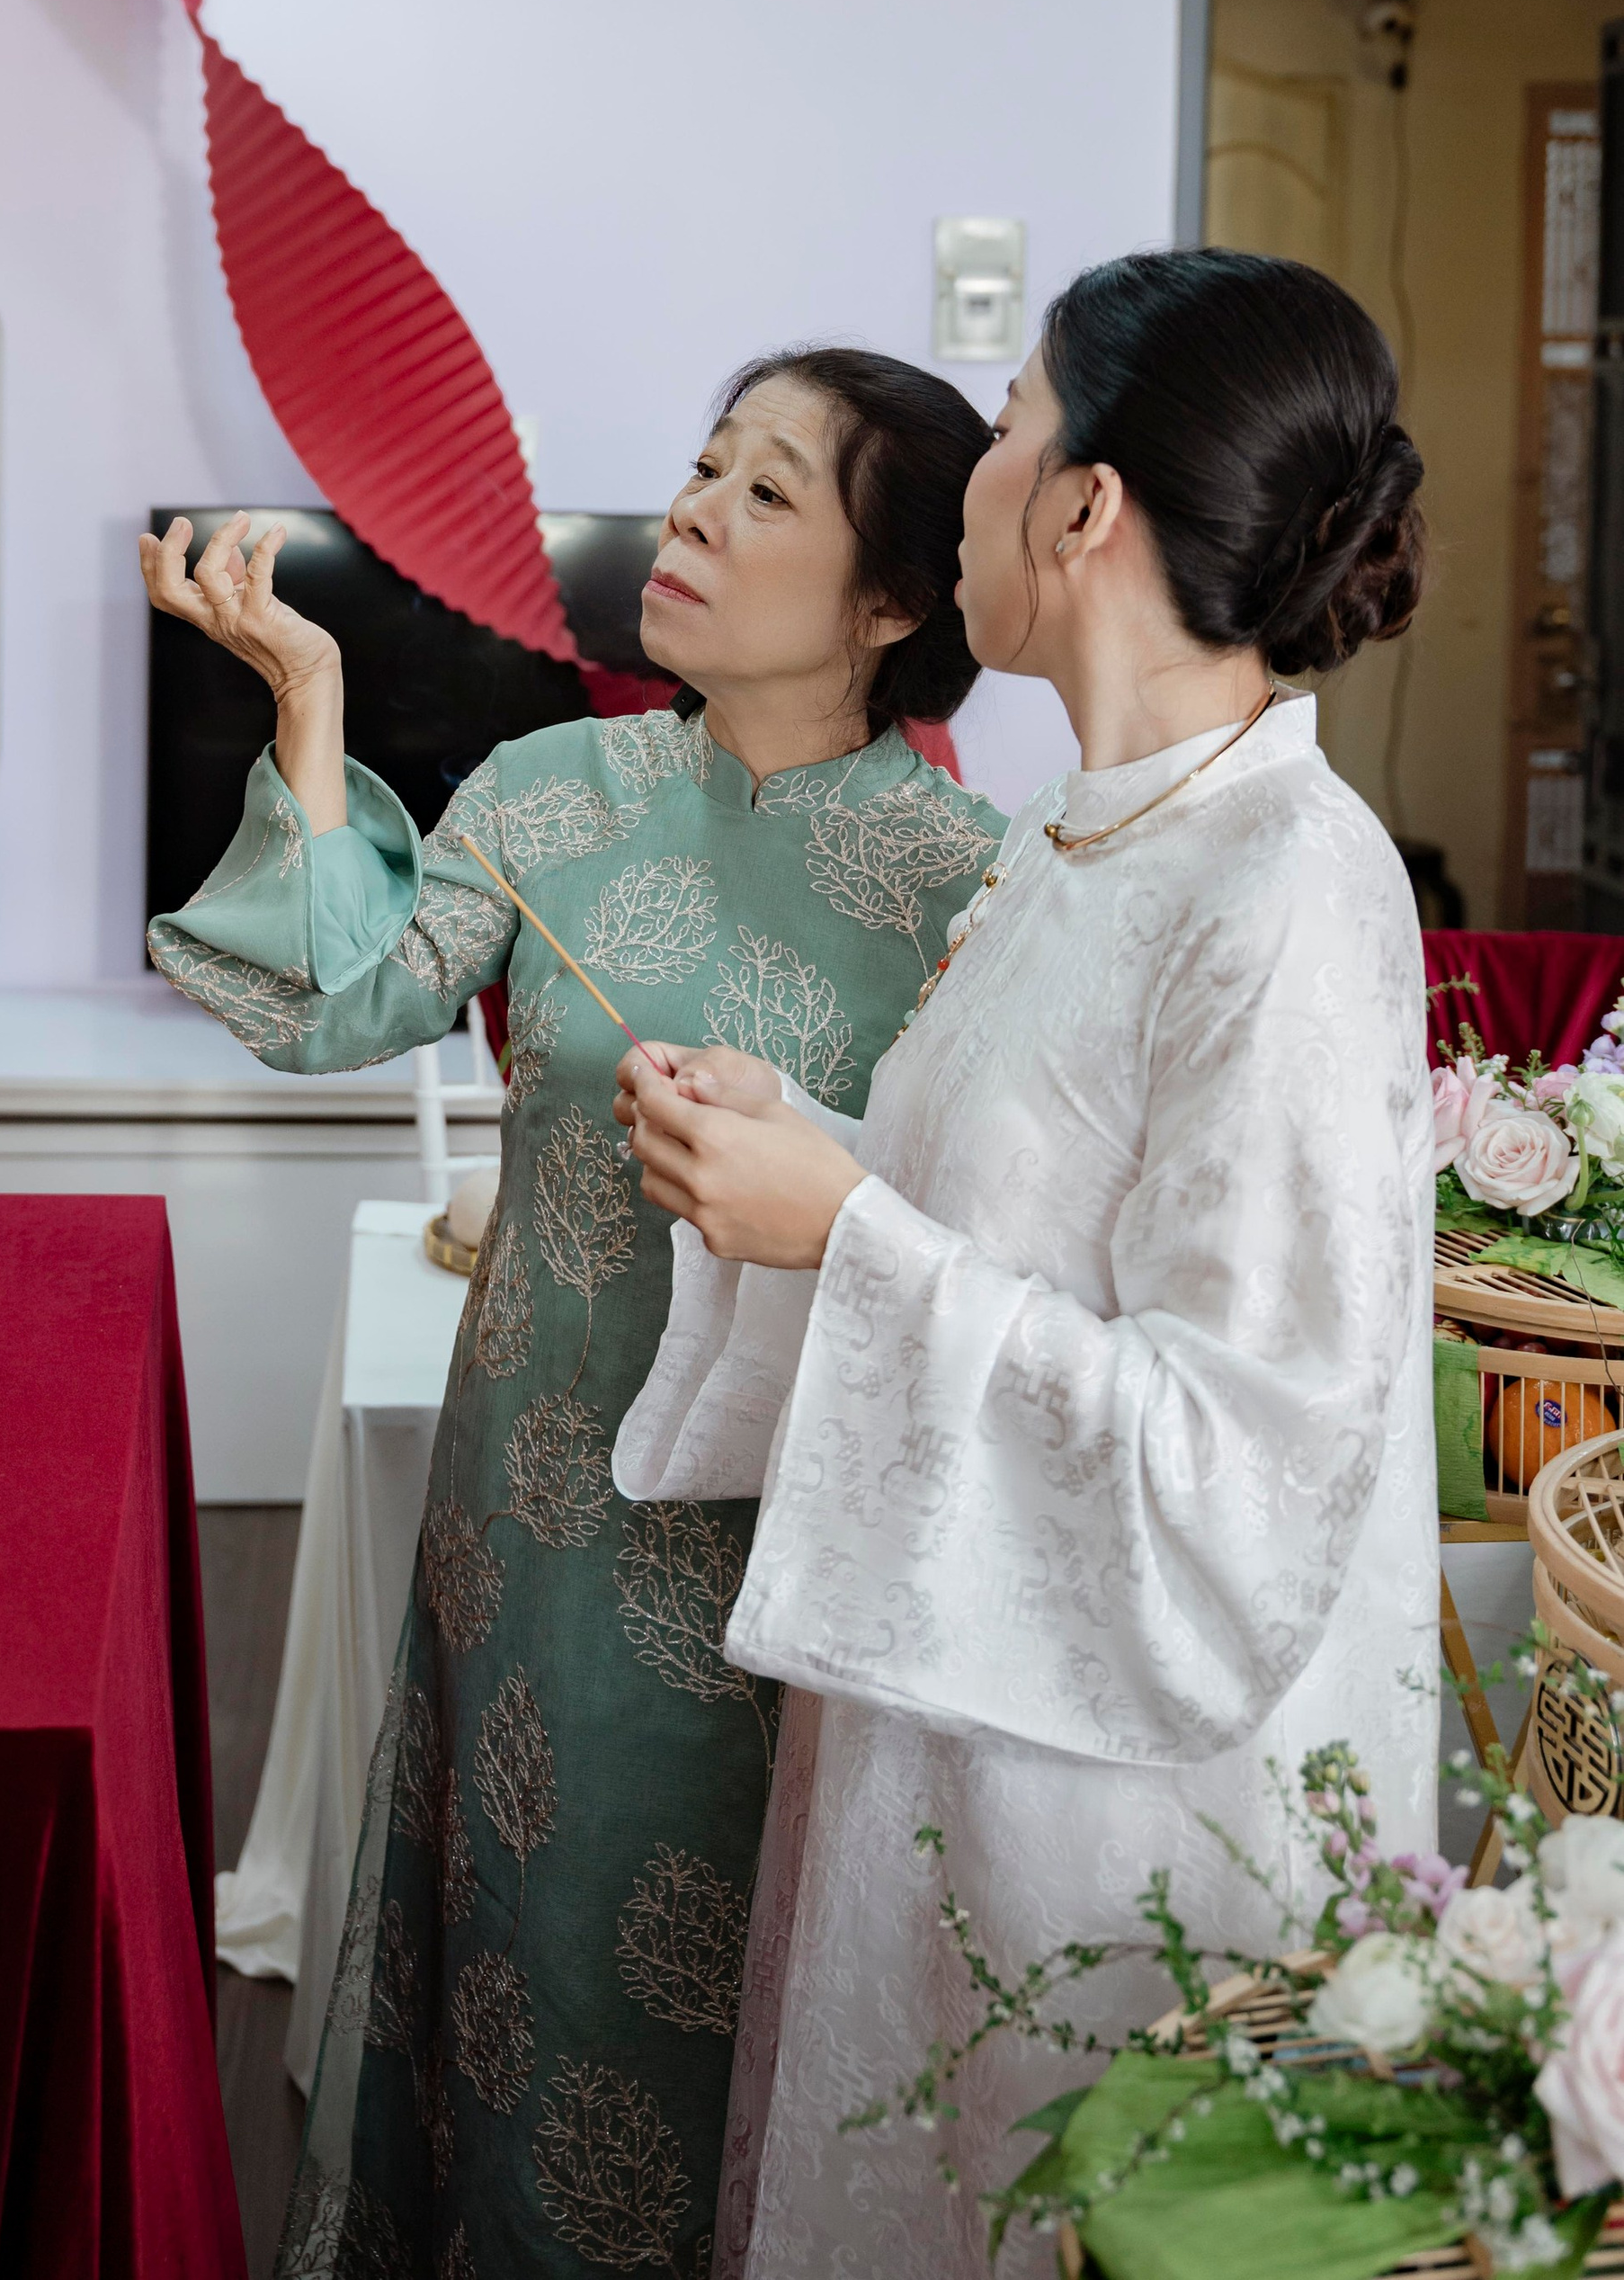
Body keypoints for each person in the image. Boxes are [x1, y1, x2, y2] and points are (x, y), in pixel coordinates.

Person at [611, 249, 1436, 2280]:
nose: (973, 476)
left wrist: (844, 1228)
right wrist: (804, 1159)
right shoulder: (1089, 839)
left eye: (1000, 431)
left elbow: (1239, 1461)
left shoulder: (1285, 890)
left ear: (1080, 508)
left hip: (1116, 1819)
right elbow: (997, 1222)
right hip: (950, 1730)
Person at [142, 348, 1004, 2278]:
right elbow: (331, 1002)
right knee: (515, 1979)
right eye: (702, 463)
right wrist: (303, 689)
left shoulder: (970, 891)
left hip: (782, 1575)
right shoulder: (549, 790)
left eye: (765, 490)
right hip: (523, 1540)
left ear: (891, 600)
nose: (688, 507)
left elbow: (976, 1243)